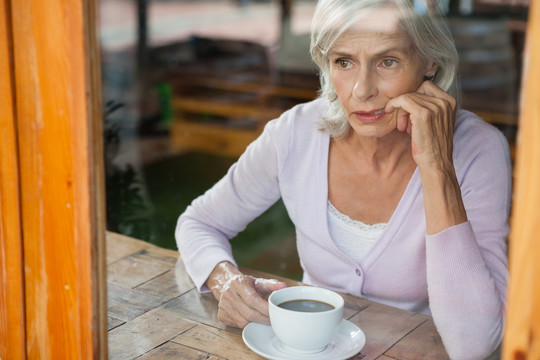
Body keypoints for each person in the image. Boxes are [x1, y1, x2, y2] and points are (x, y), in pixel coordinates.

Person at [175, 0, 511, 358]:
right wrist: (225, 281)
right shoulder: (296, 132)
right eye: (344, 62)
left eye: (387, 61)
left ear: (431, 62)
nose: (361, 90)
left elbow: (475, 343)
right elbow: (199, 222)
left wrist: (437, 166)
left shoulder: (478, 149)